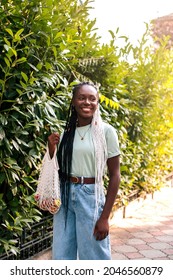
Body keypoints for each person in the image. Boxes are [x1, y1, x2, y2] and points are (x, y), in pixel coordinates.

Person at [48, 82, 120, 260]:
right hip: (65, 196)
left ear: (97, 103)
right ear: (73, 101)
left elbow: (115, 175)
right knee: (61, 255)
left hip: (90, 196)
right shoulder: (65, 135)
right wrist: (51, 148)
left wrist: (104, 218)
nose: (87, 102)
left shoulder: (106, 132)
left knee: (94, 256)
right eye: (81, 98)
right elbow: (56, 168)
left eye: (92, 98)